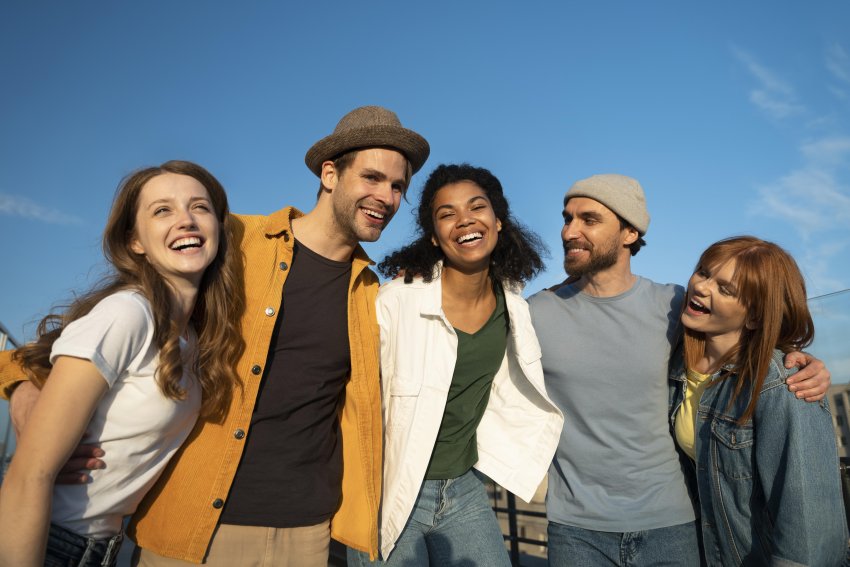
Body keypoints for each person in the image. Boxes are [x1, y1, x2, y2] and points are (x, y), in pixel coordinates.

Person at [0, 106, 430, 566]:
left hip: (309, 535)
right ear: (329, 174)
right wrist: (27, 399)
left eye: (398, 186)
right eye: (372, 178)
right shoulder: (230, 239)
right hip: (192, 528)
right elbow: (63, 342)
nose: (386, 195)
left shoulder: (373, 295)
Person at [527, 174, 832, 567]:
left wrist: (799, 360)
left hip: (674, 526)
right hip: (575, 530)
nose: (570, 230)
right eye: (567, 218)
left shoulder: (673, 306)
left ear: (629, 232)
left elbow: (747, 336)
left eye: (589, 219)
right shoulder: (535, 313)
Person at [0, 160, 243, 567]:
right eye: (162, 210)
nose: (185, 220)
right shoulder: (127, 314)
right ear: (135, 242)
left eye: (199, 207)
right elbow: (28, 476)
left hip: (103, 550)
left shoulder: (193, 339)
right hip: (46, 542)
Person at [347, 164, 563, 566]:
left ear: (498, 221)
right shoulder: (396, 301)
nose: (464, 219)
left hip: (464, 488)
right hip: (389, 488)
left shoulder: (514, 308)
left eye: (476, 207)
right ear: (433, 235)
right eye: (447, 214)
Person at [669, 236, 848, 566]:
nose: (701, 287)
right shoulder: (677, 365)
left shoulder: (784, 384)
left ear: (753, 317)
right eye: (703, 272)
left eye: (725, 289)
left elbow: (810, 525)